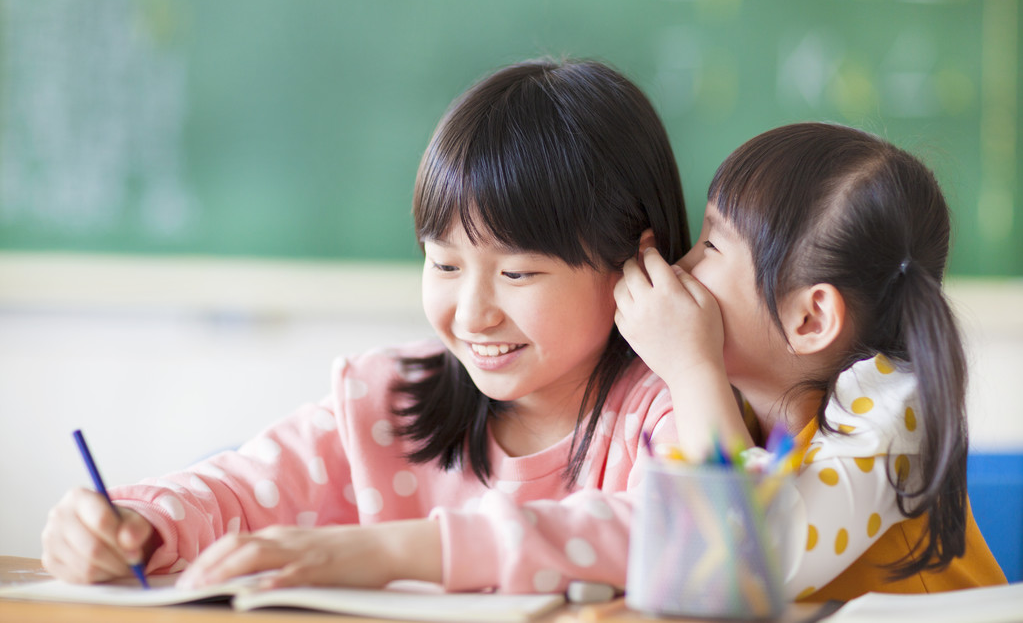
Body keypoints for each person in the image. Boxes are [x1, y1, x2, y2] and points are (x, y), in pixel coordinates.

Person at [41, 58, 691, 594]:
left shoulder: (673, 409)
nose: (471, 314)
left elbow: (678, 534)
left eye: (517, 274)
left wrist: (394, 552)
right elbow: (236, 490)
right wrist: (134, 525)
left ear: (635, 262)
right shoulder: (386, 400)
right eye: (443, 264)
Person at [614, 122, 1006, 602]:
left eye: (712, 245)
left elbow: (751, 562)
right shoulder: (734, 412)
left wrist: (691, 368)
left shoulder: (896, 411)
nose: (681, 267)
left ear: (811, 318)